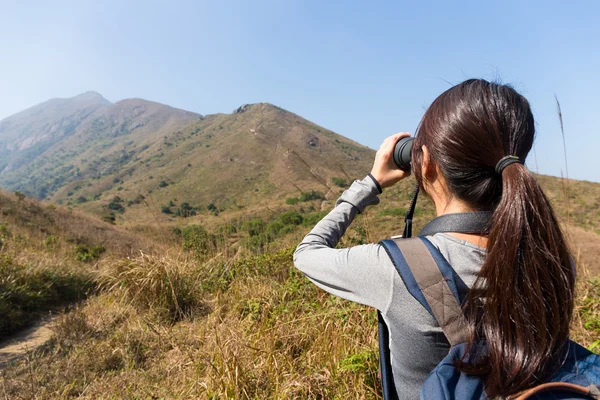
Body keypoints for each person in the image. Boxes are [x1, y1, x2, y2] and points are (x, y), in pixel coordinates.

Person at [293, 79, 574, 399]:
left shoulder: (395, 267)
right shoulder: (555, 261)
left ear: (425, 164)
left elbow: (306, 252)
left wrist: (371, 183)